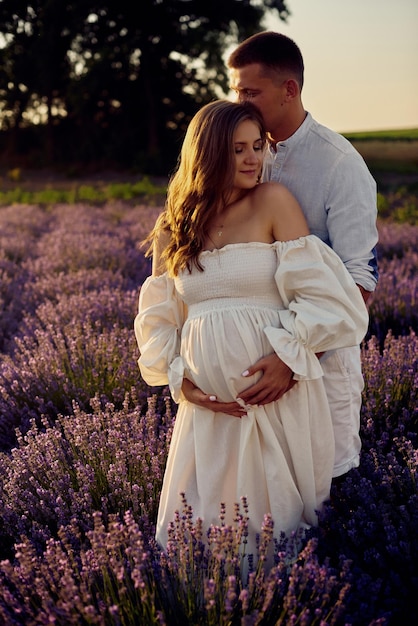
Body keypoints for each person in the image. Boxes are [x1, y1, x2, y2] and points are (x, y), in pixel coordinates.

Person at [134, 100, 369, 565]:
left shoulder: (272, 202)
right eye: (237, 148)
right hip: (209, 414)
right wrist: (182, 380)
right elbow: (159, 319)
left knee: (276, 532)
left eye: (257, 146)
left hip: (275, 398)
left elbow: (324, 297)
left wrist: (288, 359)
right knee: (199, 534)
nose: (251, 158)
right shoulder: (173, 228)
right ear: (206, 153)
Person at [183, 31, 379, 481]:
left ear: (289, 89)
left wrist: (292, 357)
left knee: (320, 491)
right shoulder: (248, 148)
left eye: (250, 91)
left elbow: (359, 280)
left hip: (319, 366)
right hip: (251, 389)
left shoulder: (339, 165)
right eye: (236, 91)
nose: (241, 101)